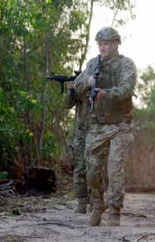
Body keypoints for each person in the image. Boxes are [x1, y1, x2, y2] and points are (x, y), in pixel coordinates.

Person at [73, 27, 137, 226]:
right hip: (98, 126)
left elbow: (127, 89)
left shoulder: (126, 64)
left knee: (114, 169)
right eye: (100, 43)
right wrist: (87, 81)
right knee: (91, 172)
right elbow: (76, 85)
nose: (103, 47)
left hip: (120, 125)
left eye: (106, 43)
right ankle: (97, 202)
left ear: (116, 44)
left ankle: (114, 211)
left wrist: (105, 93)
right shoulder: (93, 64)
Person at [63, 80, 91, 214]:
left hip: (98, 132)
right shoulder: (79, 85)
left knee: (96, 168)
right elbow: (67, 104)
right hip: (80, 134)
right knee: (80, 168)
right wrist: (72, 90)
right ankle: (81, 202)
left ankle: (95, 201)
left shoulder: (100, 84)